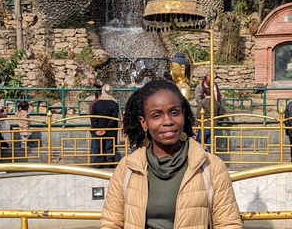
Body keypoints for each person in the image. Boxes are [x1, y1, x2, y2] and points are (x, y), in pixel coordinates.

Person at [99, 80, 241, 229]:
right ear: (144, 122)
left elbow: (228, 223)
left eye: (174, 113)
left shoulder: (211, 167)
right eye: (156, 116)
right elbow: (111, 223)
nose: (168, 121)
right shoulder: (126, 168)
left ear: (183, 114)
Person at [90, 84, 120, 167]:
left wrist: (97, 129)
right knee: (109, 151)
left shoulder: (96, 104)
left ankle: (97, 169)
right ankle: (109, 169)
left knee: (98, 150)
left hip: (97, 133)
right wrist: (106, 130)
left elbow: (93, 118)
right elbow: (113, 119)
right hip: (110, 133)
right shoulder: (114, 104)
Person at [194, 74, 224, 150]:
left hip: (204, 125)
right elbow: (221, 114)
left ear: (204, 94)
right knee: (212, 145)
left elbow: (198, 114)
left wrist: (195, 126)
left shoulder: (202, 102)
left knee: (200, 144)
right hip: (214, 125)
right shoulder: (217, 103)